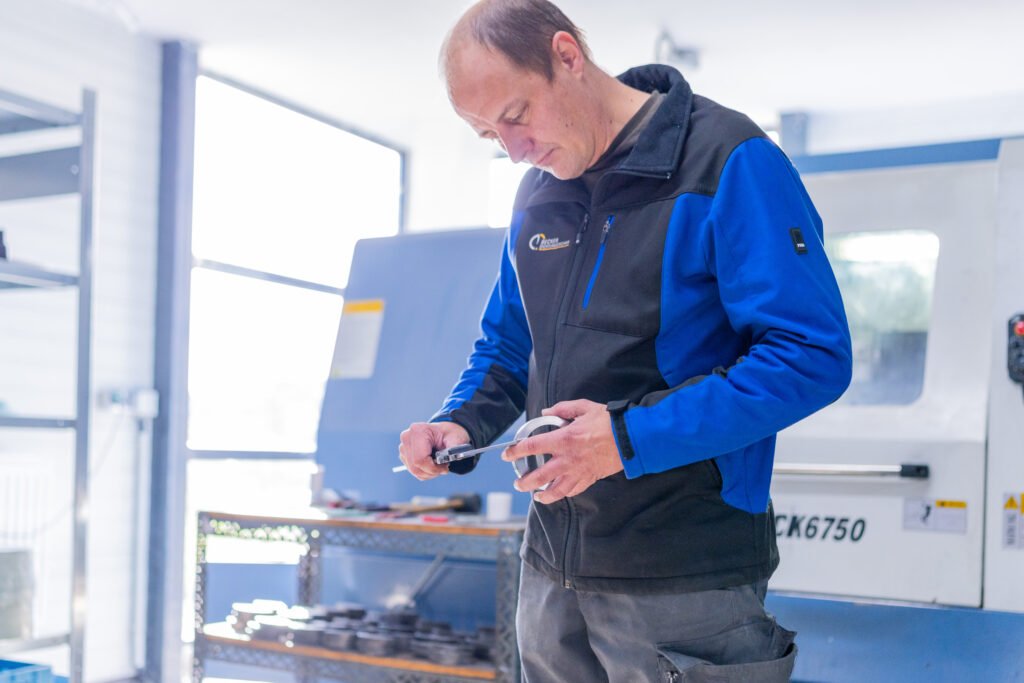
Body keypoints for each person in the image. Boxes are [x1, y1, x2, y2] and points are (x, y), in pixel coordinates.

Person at [398, 1, 852, 680]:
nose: (514, 149)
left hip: (686, 582)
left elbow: (811, 354)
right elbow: (507, 347)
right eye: (490, 135)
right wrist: (459, 420)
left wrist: (626, 438)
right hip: (551, 571)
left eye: (517, 116)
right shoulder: (536, 194)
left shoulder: (728, 160)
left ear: (568, 57)